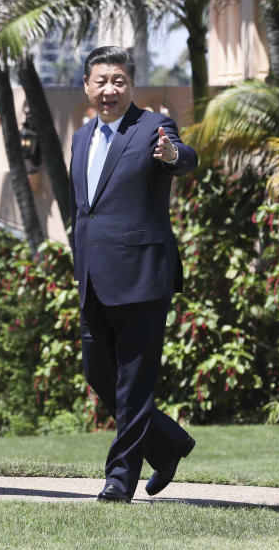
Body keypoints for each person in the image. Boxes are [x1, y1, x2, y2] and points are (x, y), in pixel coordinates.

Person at [68, 45, 199, 503]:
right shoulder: (81, 138)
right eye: (101, 81)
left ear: (131, 85)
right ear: (87, 86)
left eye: (119, 81)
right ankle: (169, 443)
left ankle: (118, 480)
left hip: (143, 277)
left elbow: (185, 158)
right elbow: (82, 212)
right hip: (94, 278)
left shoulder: (154, 127)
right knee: (100, 374)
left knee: (135, 382)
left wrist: (169, 155)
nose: (110, 89)